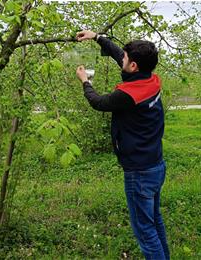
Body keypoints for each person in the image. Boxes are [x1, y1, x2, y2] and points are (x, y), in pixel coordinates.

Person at [73, 29, 168, 259]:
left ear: (133, 66)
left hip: (139, 172)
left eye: (125, 58)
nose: (121, 58)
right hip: (155, 165)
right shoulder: (151, 80)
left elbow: (98, 102)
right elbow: (119, 55)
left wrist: (85, 81)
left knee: (145, 231)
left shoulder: (128, 94)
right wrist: (97, 37)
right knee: (154, 221)